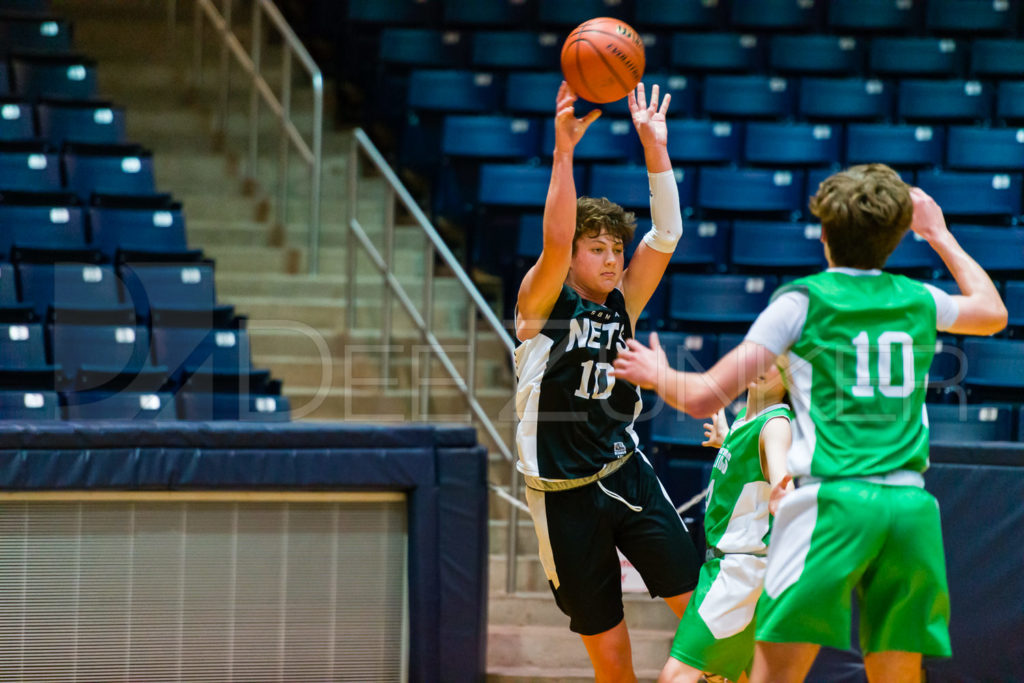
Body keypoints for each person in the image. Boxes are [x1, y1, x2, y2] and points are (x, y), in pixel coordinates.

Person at [612, 164, 1008, 682]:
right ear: (895, 236)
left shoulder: (803, 301)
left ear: (824, 235)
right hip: (911, 507)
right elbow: (993, 312)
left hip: (834, 504)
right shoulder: (918, 298)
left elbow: (705, 395)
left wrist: (656, 373)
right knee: (898, 673)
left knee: (775, 673)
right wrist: (938, 232)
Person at [513, 80, 701, 682]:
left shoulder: (622, 300)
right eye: (597, 249)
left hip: (626, 471)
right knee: (611, 656)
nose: (613, 260)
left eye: (617, 248)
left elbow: (666, 235)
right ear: (573, 258)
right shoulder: (541, 307)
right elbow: (554, 238)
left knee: (702, 620)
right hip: (562, 494)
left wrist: (656, 148)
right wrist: (563, 152)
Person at [660, 365, 792, 683]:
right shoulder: (748, 419)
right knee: (727, 676)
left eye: (779, 361)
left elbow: (780, 478)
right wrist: (727, 440)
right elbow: (751, 473)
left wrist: (785, 494)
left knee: (676, 675)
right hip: (731, 569)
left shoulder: (775, 426)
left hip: (739, 574)